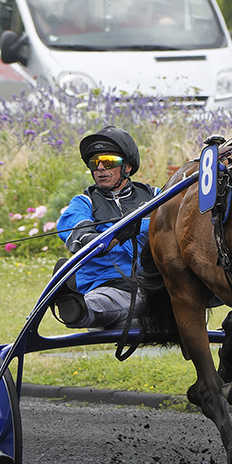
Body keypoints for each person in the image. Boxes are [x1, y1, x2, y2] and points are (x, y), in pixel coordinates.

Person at [54, 126, 159, 330]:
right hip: (109, 286)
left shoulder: (155, 196)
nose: (100, 168)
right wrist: (119, 234)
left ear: (127, 167)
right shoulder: (83, 202)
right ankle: (78, 310)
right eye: (95, 163)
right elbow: (81, 240)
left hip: (154, 285)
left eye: (109, 162)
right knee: (105, 302)